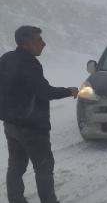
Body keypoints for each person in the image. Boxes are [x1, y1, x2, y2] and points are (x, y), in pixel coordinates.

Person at [0, 26, 79, 203]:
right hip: (32, 126)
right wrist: (69, 91)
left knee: (16, 165)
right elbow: (44, 92)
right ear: (27, 43)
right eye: (39, 40)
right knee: (43, 166)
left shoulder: (6, 58)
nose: (44, 44)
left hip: (11, 123)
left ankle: (15, 199)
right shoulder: (29, 64)